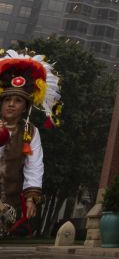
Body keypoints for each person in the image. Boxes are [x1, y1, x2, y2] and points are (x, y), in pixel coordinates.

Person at [0, 49, 62, 238]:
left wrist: (30, 199)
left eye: (18, 100)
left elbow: (34, 167)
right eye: (7, 99)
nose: (11, 104)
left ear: (25, 107)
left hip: (7, 200)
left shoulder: (30, 132)